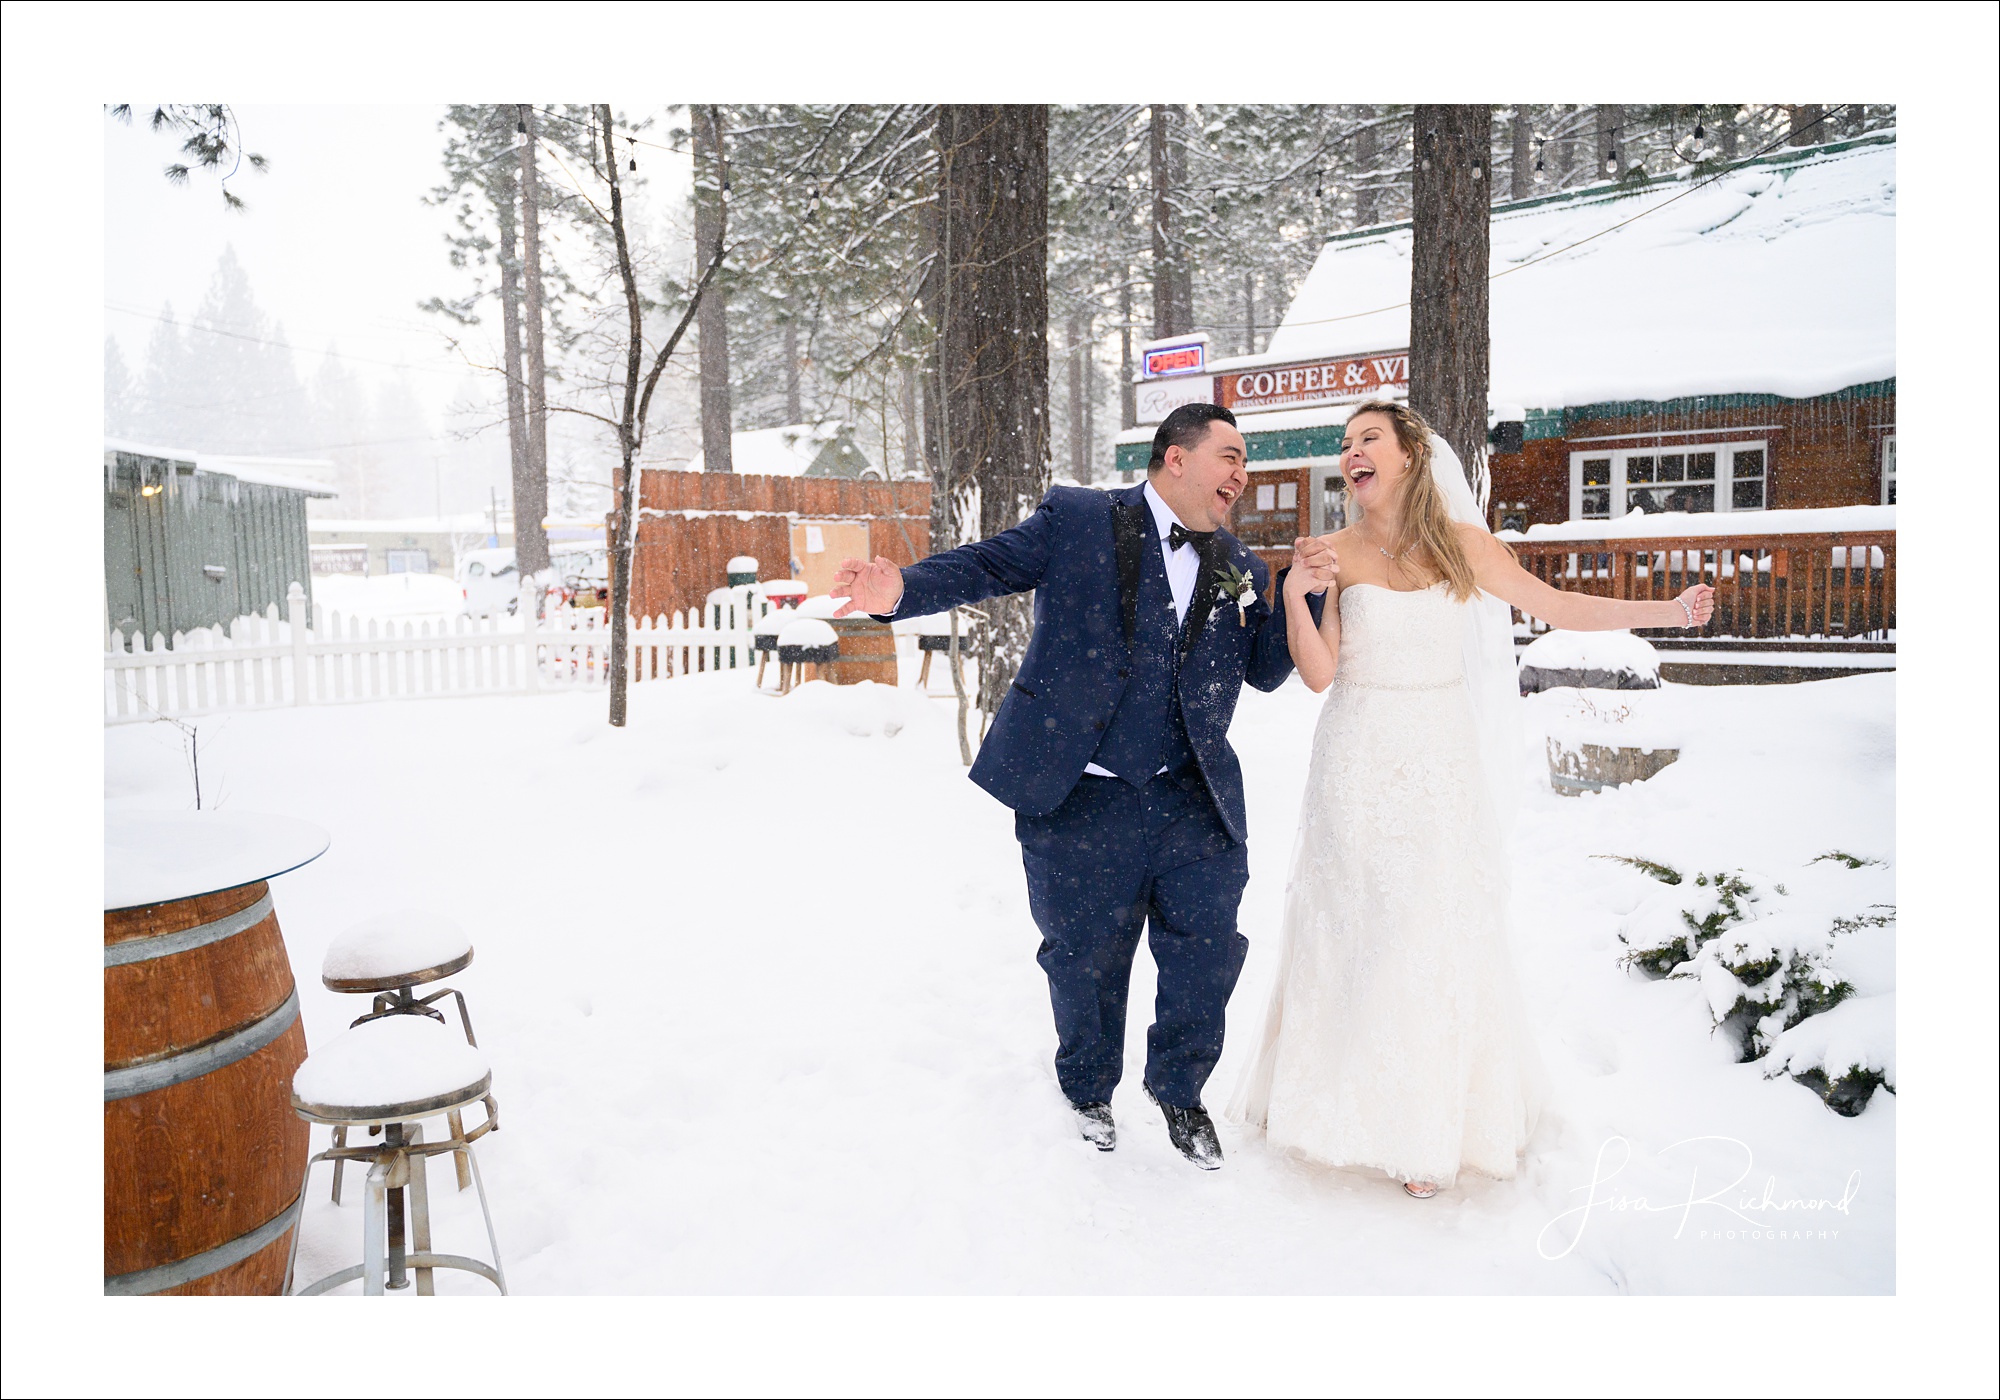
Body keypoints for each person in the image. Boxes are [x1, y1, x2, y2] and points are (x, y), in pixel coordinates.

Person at [1228, 400, 1716, 1198]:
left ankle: (1430, 1126)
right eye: (1345, 445)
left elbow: (1558, 606)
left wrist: (1664, 612)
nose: (1352, 453)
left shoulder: (1463, 546)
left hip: (1438, 756)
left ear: (1411, 455)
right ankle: (1339, 1108)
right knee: (1358, 925)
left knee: (1430, 931)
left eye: (1369, 440)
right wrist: (1294, 595)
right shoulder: (1334, 553)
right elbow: (1319, 674)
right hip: (1356, 756)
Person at [832, 403, 1332, 1169]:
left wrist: (1303, 591)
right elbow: (988, 565)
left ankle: (1180, 1090)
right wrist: (899, 589)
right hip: (1081, 791)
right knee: (1085, 956)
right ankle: (1089, 1089)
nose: (1242, 472)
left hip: (1190, 796)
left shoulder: (1241, 566)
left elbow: (1266, 671)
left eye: (1245, 459)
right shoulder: (1080, 519)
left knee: (1206, 951)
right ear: (1175, 457)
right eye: (1229, 455)